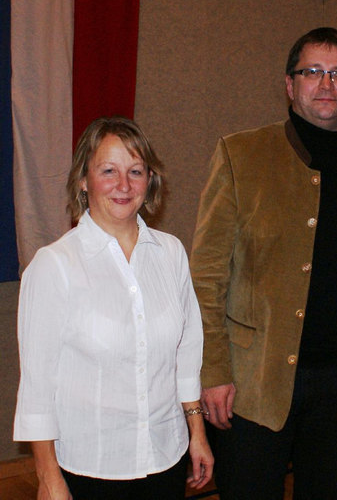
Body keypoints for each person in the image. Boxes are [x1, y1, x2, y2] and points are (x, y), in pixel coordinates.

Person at [190, 27, 337, 499]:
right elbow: (206, 278)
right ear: (289, 84)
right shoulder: (240, 154)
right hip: (255, 382)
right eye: (312, 71)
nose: (325, 84)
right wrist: (212, 371)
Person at [13, 116, 214, 500]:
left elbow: (186, 354)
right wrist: (48, 479)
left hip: (165, 459)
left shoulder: (171, 252)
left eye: (135, 171)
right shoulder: (53, 266)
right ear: (84, 180)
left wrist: (197, 435)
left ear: (149, 180)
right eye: (108, 170)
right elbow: (37, 387)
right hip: (90, 469)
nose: (123, 185)